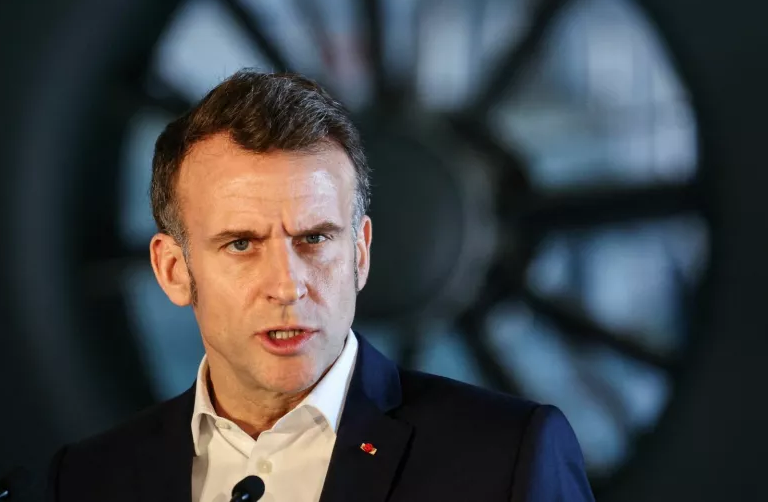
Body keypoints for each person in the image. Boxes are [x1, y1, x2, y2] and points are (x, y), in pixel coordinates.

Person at [45, 70, 594, 502]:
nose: (287, 286)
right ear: (173, 270)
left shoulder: (507, 457)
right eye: (242, 244)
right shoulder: (86, 482)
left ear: (360, 253)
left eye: (313, 238)